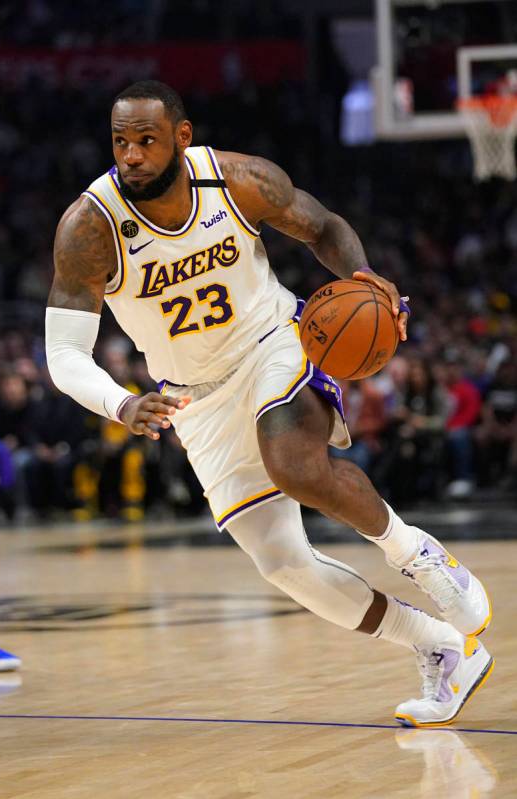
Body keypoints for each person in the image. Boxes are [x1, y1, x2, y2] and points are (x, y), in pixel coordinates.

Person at [45, 80, 493, 727]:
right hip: (193, 399)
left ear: (181, 137)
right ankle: (440, 647)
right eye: (121, 142)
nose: (132, 156)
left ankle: (415, 553)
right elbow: (63, 355)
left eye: (146, 140)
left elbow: (324, 226)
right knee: (284, 563)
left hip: (273, 342)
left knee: (292, 462)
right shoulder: (90, 226)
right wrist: (120, 403)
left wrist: (360, 274)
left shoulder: (237, 180)